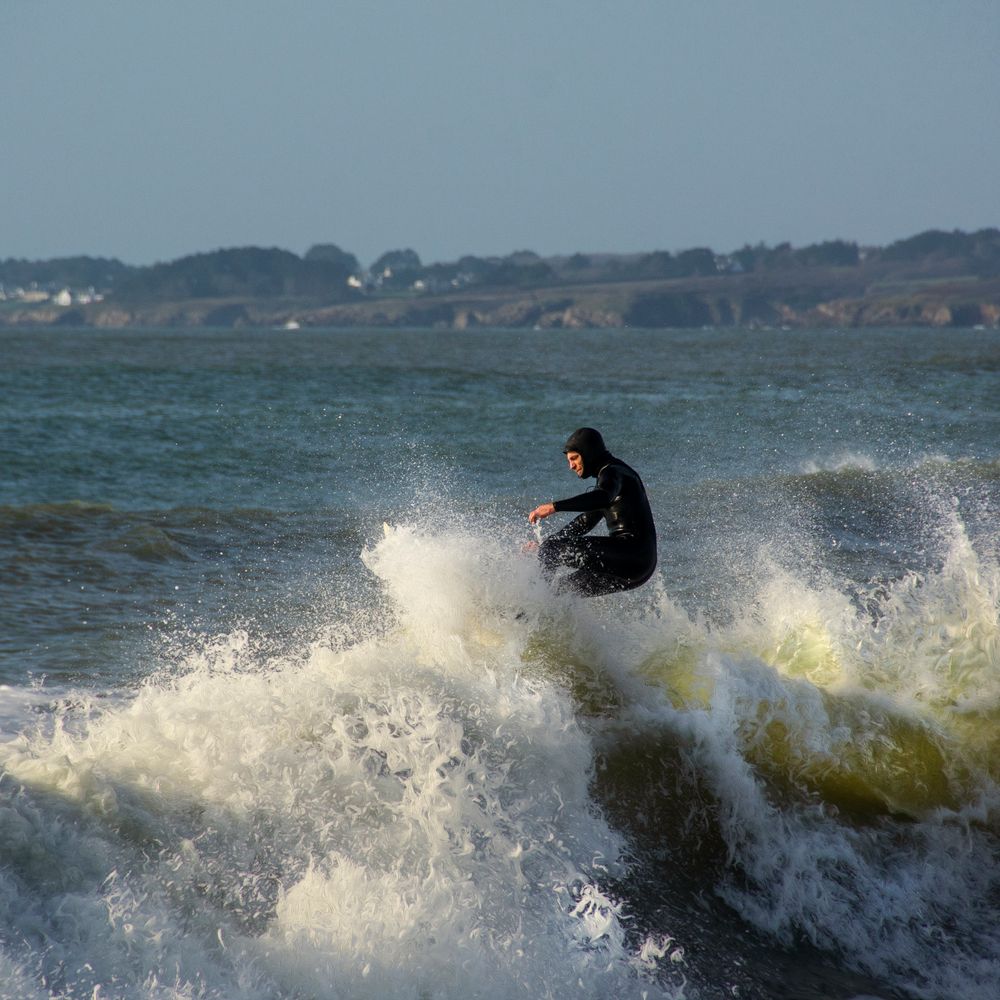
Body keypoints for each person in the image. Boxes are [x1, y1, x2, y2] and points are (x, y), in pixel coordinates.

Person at [527, 427, 657, 596]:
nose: (571, 466)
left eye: (574, 458)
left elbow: (600, 497)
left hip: (630, 554)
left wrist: (554, 507)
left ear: (588, 453)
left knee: (552, 551)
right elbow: (586, 521)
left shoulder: (614, 472)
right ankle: (526, 619)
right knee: (561, 591)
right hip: (638, 566)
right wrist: (545, 545)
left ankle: (536, 601)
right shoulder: (612, 477)